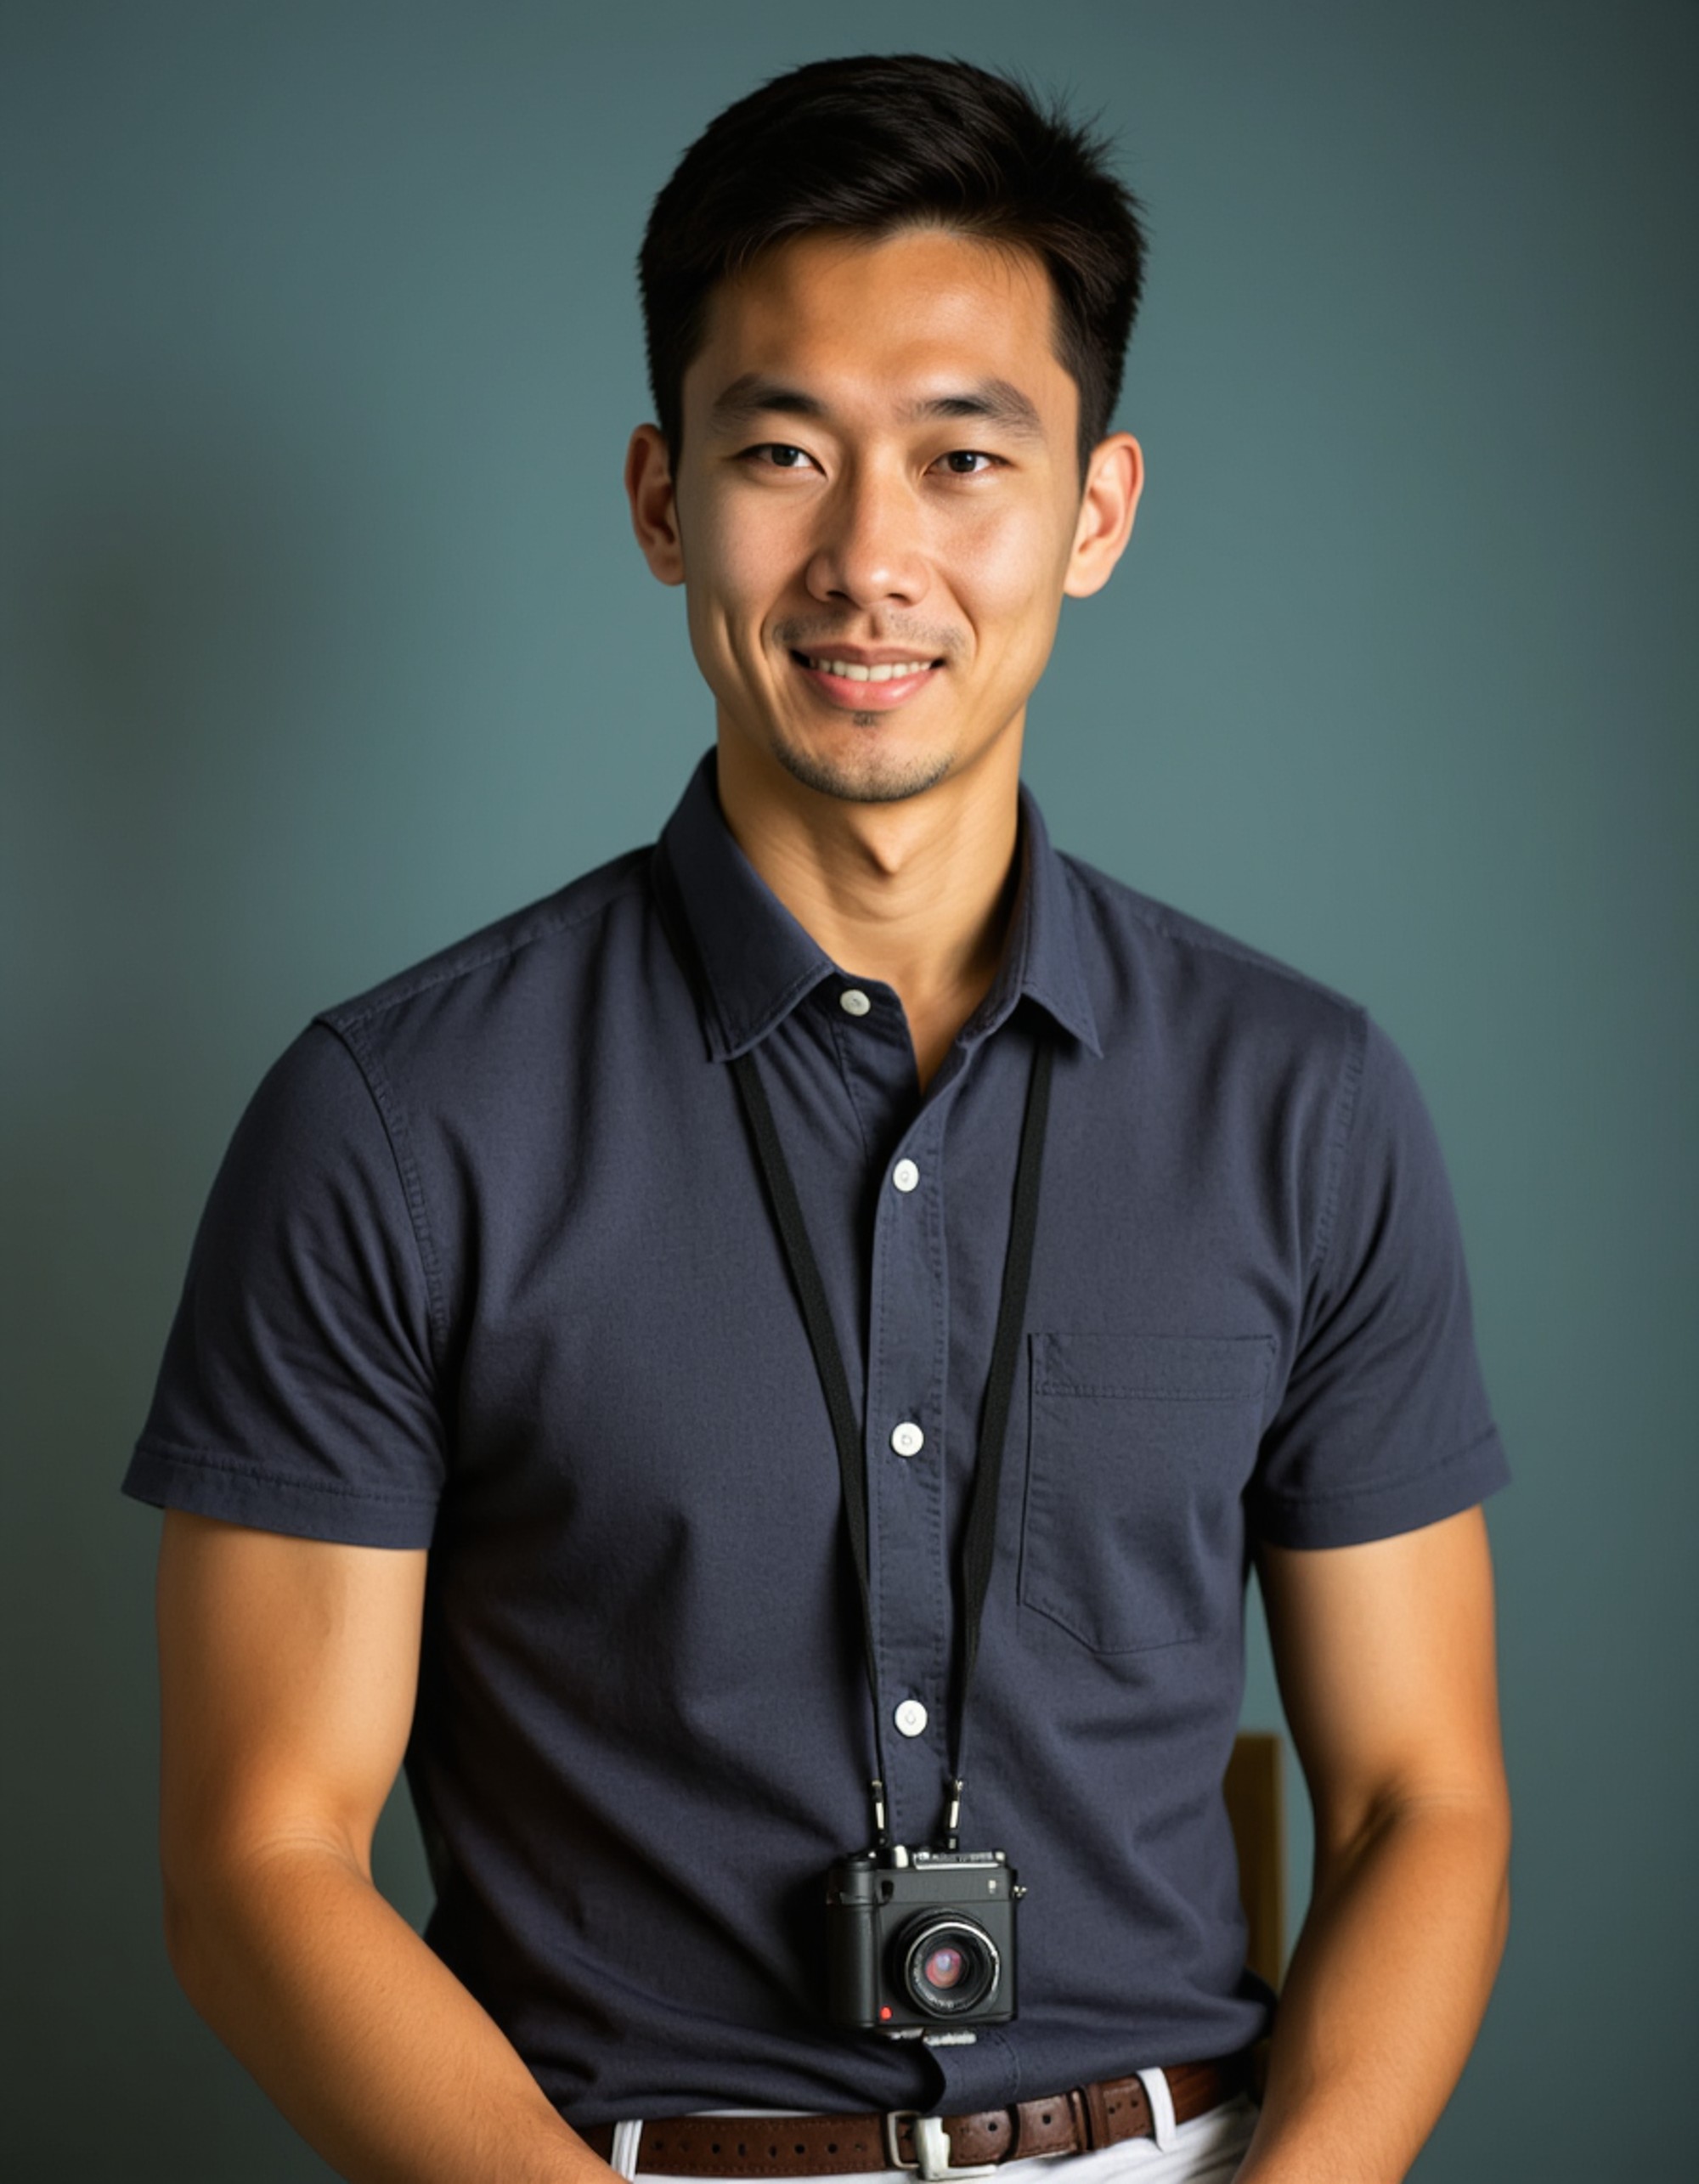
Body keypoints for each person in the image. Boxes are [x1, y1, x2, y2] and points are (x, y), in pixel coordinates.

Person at [126, 53, 1511, 2184]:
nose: (874, 557)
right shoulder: (387, 1119)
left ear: (1096, 509)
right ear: (665, 497)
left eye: (966, 458)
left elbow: (1424, 1792)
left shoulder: (1302, 1098)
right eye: (784, 451)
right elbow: (258, 1855)